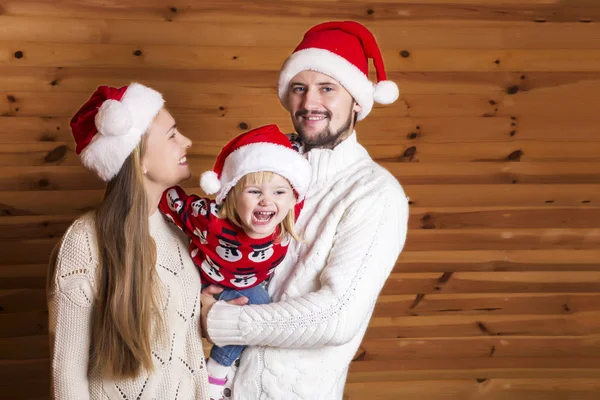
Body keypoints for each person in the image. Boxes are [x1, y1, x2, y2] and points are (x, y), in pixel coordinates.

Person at [200, 21, 410, 399]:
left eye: (327, 88)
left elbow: (337, 316)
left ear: (358, 101)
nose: (310, 103)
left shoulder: (375, 194)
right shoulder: (264, 168)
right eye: (300, 88)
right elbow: (209, 242)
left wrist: (218, 319)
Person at [46, 82, 244, 399]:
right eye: (172, 135)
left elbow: (184, 349)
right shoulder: (85, 241)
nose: (187, 142)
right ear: (140, 160)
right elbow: (67, 373)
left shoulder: (179, 233)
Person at [158, 124, 311, 399]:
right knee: (258, 305)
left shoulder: (285, 218)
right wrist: (155, 188)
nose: (266, 201)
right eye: (254, 192)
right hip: (202, 275)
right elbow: (175, 203)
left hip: (243, 284)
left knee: (260, 304)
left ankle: (216, 368)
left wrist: (297, 151)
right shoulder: (211, 218)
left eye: (278, 193)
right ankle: (213, 371)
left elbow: (296, 187)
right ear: (230, 195)